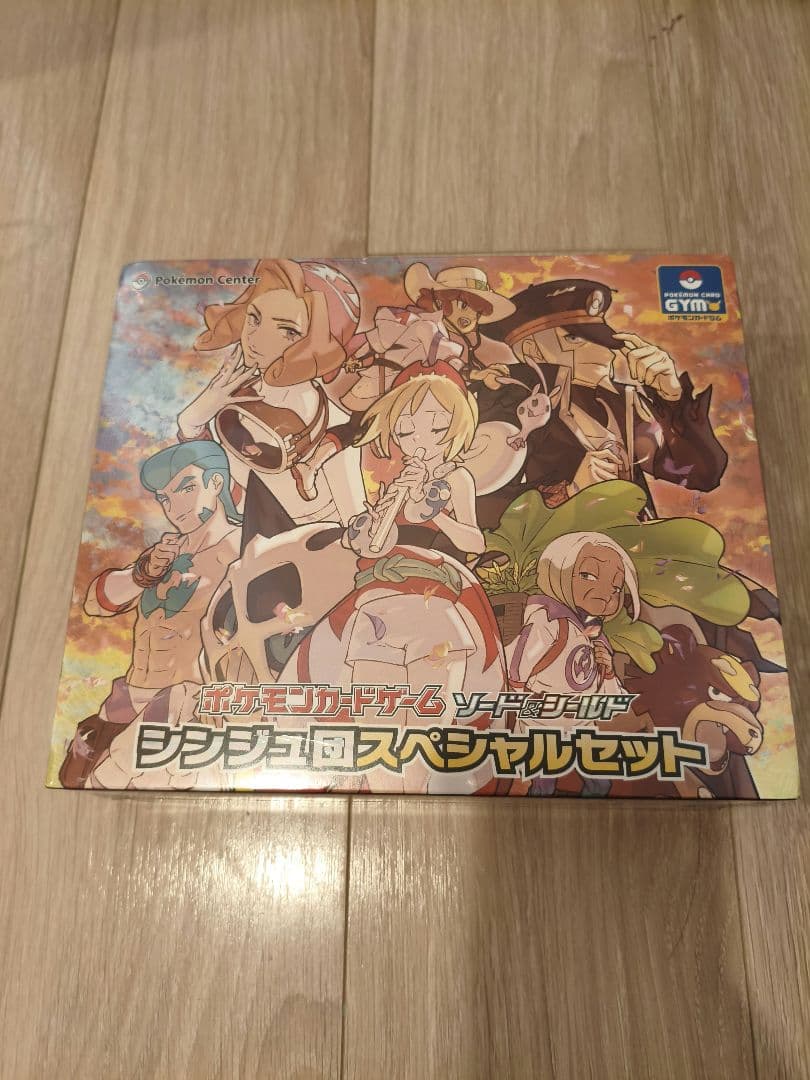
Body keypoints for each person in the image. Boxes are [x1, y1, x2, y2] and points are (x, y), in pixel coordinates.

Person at [281, 361, 506, 726]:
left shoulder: (456, 478)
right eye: (406, 430)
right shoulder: (393, 484)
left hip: (435, 595)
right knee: (373, 716)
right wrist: (381, 515)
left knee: (428, 722)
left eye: (437, 427)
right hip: (378, 598)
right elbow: (371, 549)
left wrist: (434, 513)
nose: (420, 440)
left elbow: (475, 542)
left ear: (457, 427)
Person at [59, 441, 241, 789]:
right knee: (75, 783)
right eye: (165, 498)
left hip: (182, 712)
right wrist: (142, 574)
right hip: (123, 705)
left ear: (216, 483)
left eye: (186, 489)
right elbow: (96, 603)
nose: (175, 507)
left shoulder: (242, 550)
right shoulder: (165, 552)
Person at [481, 278, 728, 516]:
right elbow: (480, 503)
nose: (604, 353)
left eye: (601, 339)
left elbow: (700, 475)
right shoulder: (505, 400)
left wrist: (672, 397)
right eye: (575, 339)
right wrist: (568, 493)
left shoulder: (619, 402)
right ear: (532, 351)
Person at [178, 258, 365, 522]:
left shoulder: (333, 430)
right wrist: (190, 425)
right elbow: (222, 490)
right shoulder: (233, 399)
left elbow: (357, 530)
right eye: (254, 318)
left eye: (288, 331)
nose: (256, 338)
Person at [505, 531, 641, 797]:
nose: (606, 593)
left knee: (600, 783)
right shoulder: (548, 621)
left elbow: (610, 697)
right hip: (543, 722)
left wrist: (608, 671)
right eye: (588, 575)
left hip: (581, 721)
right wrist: (517, 718)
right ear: (559, 573)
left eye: (615, 588)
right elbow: (517, 670)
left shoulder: (595, 634)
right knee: (542, 785)